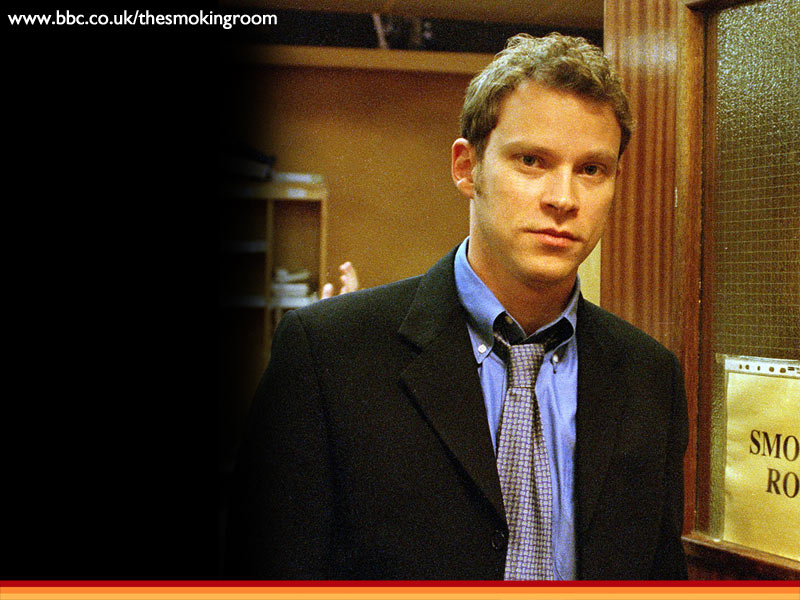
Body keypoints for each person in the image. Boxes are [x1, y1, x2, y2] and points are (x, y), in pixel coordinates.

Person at [225, 32, 688, 580]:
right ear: (467, 167)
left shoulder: (650, 378)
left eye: (592, 169)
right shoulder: (328, 354)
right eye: (532, 161)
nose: (564, 198)